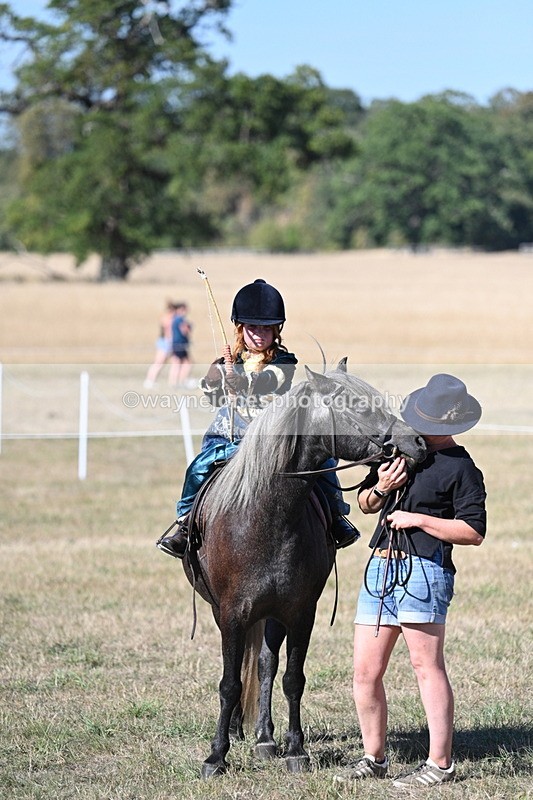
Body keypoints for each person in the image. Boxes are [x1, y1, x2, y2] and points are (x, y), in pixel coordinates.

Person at [337, 373, 486, 788]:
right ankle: (374, 757)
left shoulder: (462, 469)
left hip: (425, 570)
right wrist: (383, 486)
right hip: (380, 568)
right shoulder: (399, 453)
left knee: (426, 667)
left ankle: (440, 765)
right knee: (365, 671)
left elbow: (473, 531)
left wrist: (417, 518)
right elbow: (365, 504)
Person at [157, 278, 359, 558]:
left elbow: (271, 381)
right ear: (241, 328)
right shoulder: (227, 363)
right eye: (253, 327)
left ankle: (337, 518)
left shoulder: (284, 361)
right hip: (232, 437)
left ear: (277, 330)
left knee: (323, 463)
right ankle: (186, 525)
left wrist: (243, 383)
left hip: (275, 438)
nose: (259, 334)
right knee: (198, 468)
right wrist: (214, 379)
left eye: (266, 328)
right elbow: (212, 397)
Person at [144, 300, 176, 388]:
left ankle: (154, 380)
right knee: (159, 362)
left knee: (166, 362)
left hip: (166, 342)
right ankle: (150, 380)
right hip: (165, 342)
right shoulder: (168, 319)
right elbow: (168, 332)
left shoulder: (167, 318)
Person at [168, 302, 193, 387]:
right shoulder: (180, 319)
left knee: (177, 363)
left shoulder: (174, 319)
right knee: (186, 363)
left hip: (176, 344)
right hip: (180, 344)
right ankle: (181, 381)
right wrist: (189, 327)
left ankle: (174, 382)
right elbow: (184, 330)